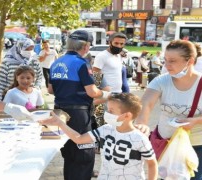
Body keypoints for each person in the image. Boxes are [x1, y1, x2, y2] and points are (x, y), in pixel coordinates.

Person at [40, 93, 158, 180]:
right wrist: (60, 123)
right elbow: (79, 139)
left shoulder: (140, 138)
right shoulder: (105, 130)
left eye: (111, 111)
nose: (107, 113)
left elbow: (152, 164)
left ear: (127, 115)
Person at [135, 40, 202, 180]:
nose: (166, 65)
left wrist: (195, 121)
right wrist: (142, 123)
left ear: (189, 61)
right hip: (165, 144)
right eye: (165, 60)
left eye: (172, 61)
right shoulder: (161, 80)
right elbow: (146, 104)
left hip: (196, 147)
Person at [48, 30, 110, 180]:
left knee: (69, 152)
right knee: (84, 154)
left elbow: (50, 90)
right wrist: (106, 95)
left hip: (60, 113)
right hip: (79, 114)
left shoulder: (56, 62)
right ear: (86, 46)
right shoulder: (82, 63)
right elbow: (92, 92)